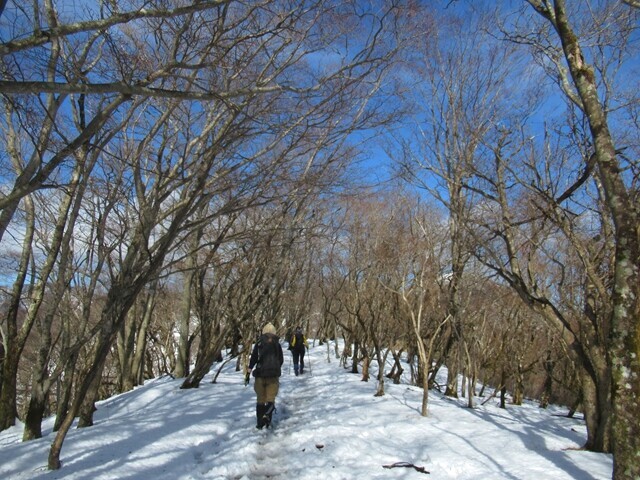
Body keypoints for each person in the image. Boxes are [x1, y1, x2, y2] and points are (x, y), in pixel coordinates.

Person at [246, 323, 283, 429]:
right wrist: (275, 368)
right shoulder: (277, 345)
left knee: (260, 399)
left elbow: (253, 359)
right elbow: (281, 360)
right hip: (273, 376)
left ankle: (259, 424)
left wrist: (248, 372)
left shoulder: (258, 344)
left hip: (260, 375)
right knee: (270, 399)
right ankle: (267, 418)